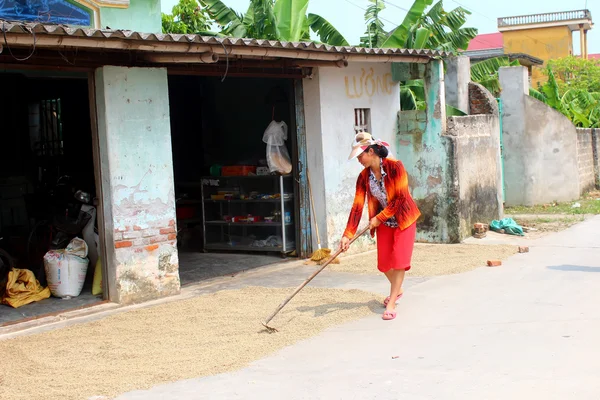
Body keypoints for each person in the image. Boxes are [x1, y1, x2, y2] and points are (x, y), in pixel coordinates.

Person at [340, 132, 421, 321]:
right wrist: (347, 235)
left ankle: (392, 302)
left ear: (370, 151)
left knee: (399, 261)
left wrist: (379, 217)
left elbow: (401, 198)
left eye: (360, 156)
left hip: (404, 218)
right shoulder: (363, 178)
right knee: (384, 264)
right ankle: (397, 289)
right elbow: (357, 207)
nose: (359, 160)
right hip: (384, 222)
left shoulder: (396, 167)